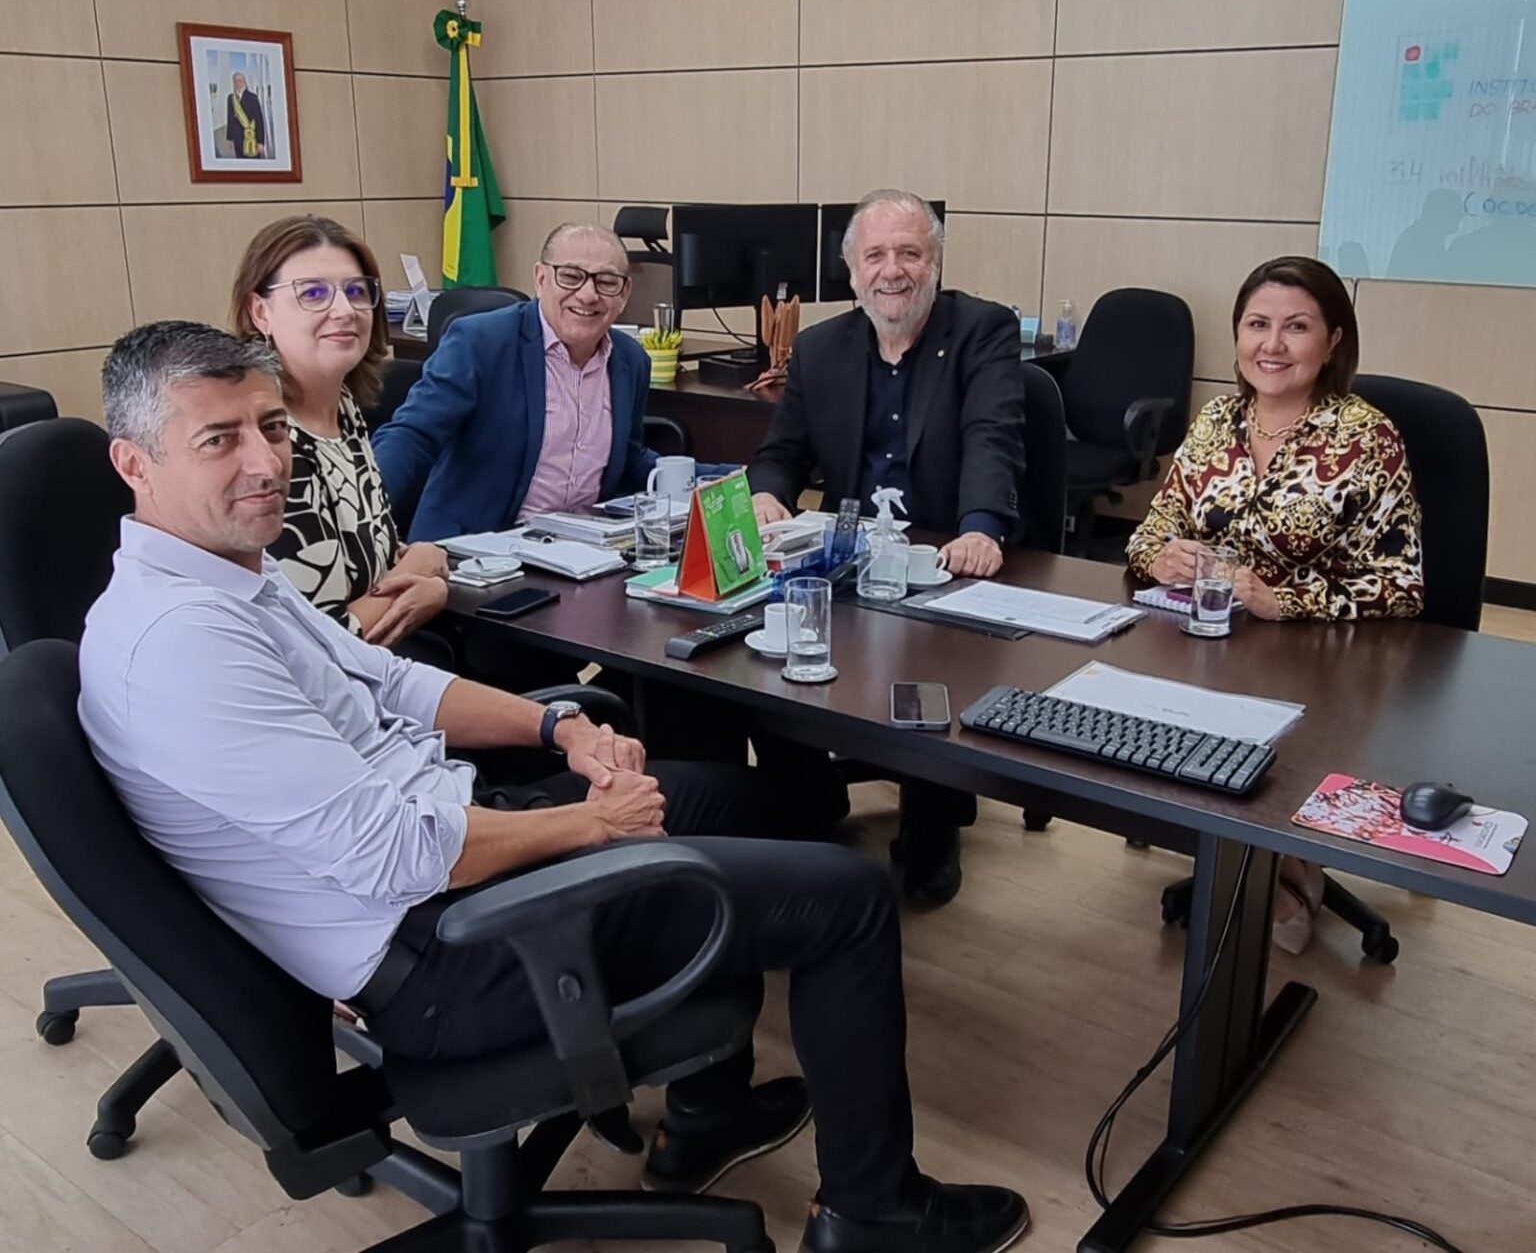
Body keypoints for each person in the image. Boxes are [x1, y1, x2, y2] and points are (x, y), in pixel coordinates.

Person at [78, 322, 1029, 1253]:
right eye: (220, 439)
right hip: (444, 947)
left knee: (751, 803)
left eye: (272, 428)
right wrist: (590, 826)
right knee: (853, 900)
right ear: (135, 465)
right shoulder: (186, 643)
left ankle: (708, 1112)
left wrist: (557, 726)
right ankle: (876, 1213)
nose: (265, 462)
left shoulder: (227, 573)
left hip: (453, 846)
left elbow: (398, 683)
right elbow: (393, 855)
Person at [1126, 255, 1424, 954]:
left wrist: (1283, 600)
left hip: (1324, 663)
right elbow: (1151, 527)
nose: (1273, 345)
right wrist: (1160, 554)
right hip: (1210, 647)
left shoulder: (1366, 436)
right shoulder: (1215, 422)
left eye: (1296, 327)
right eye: (1258, 325)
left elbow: (1401, 584)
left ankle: (1290, 861)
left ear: (1334, 343)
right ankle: (1242, 843)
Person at [747, 189, 1026, 904]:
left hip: (944, 560)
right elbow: (781, 451)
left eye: (909, 253)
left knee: (930, 676)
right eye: (876, 255)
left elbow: (991, 435)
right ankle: (810, 801)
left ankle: (932, 828)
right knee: (762, 654)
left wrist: (982, 526)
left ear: (934, 262)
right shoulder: (819, 347)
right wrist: (765, 492)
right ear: (851, 271)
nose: (892, 270)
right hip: (848, 561)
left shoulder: (982, 330)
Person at [230, 214, 449, 649]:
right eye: (313, 293)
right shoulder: (264, 443)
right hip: (312, 695)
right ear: (260, 312)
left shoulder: (344, 407)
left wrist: (428, 579)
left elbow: (372, 559)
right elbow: (319, 641)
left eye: (356, 292)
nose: (344, 310)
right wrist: (416, 575)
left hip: (382, 671)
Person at [374, 224, 662, 543]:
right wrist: (364, 508)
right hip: (474, 553)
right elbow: (414, 434)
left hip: (581, 553)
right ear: (540, 279)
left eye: (606, 282)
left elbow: (629, 458)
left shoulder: (630, 359)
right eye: (570, 276)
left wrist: (712, 478)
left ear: (624, 294)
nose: (588, 294)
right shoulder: (479, 342)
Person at [225, 72, 266, 160]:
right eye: (235, 81)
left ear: (245, 82)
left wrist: (260, 142)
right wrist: (229, 139)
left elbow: (259, 120)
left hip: (252, 138)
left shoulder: (253, 97)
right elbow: (230, 119)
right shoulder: (230, 98)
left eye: (240, 81)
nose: (237, 84)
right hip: (237, 139)